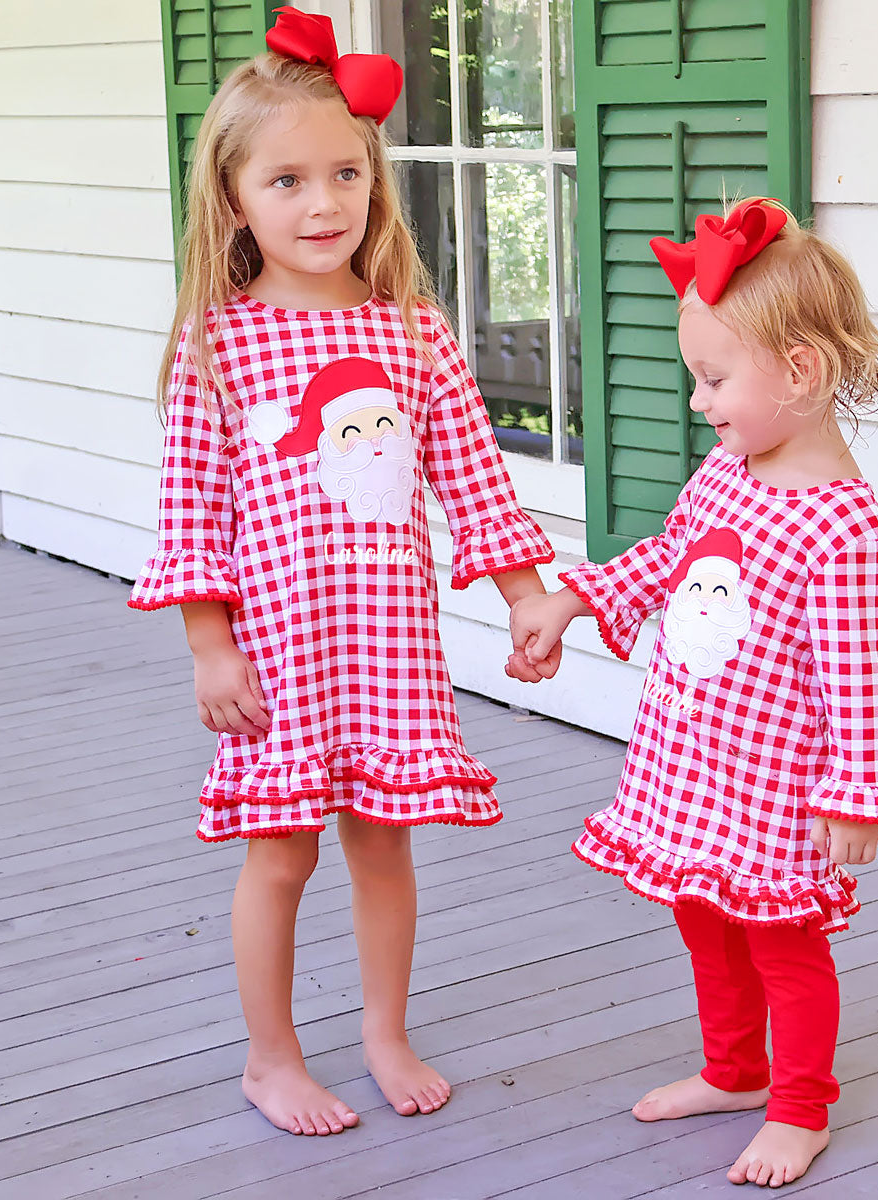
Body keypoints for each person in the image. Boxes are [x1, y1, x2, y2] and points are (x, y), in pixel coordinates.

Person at [129, 7, 557, 1138]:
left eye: (346, 175)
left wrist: (525, 600)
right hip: (278, 651)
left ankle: (382, 1028)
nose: (323, 205)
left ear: (373, 181)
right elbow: (191, 509)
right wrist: (207, 643)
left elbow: (475, 479)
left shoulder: (415, 334)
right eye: (286, 182)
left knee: (383, 846)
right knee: (282, 856)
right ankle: (271, 1058)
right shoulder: (217, 346)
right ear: (233, 199)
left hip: (386, 647)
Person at [508, 198, 878, 1188]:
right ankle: (737, 1070)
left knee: (783, 944)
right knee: (703, 917)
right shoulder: (730, 470)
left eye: (713, 377)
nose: (700, 400)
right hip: (693, 764)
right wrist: (575, 599)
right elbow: (667, 558)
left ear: (800, 371)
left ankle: (800, 1106)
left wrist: (853, 798)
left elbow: (864, 682)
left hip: (779, 782)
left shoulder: (842, 531)